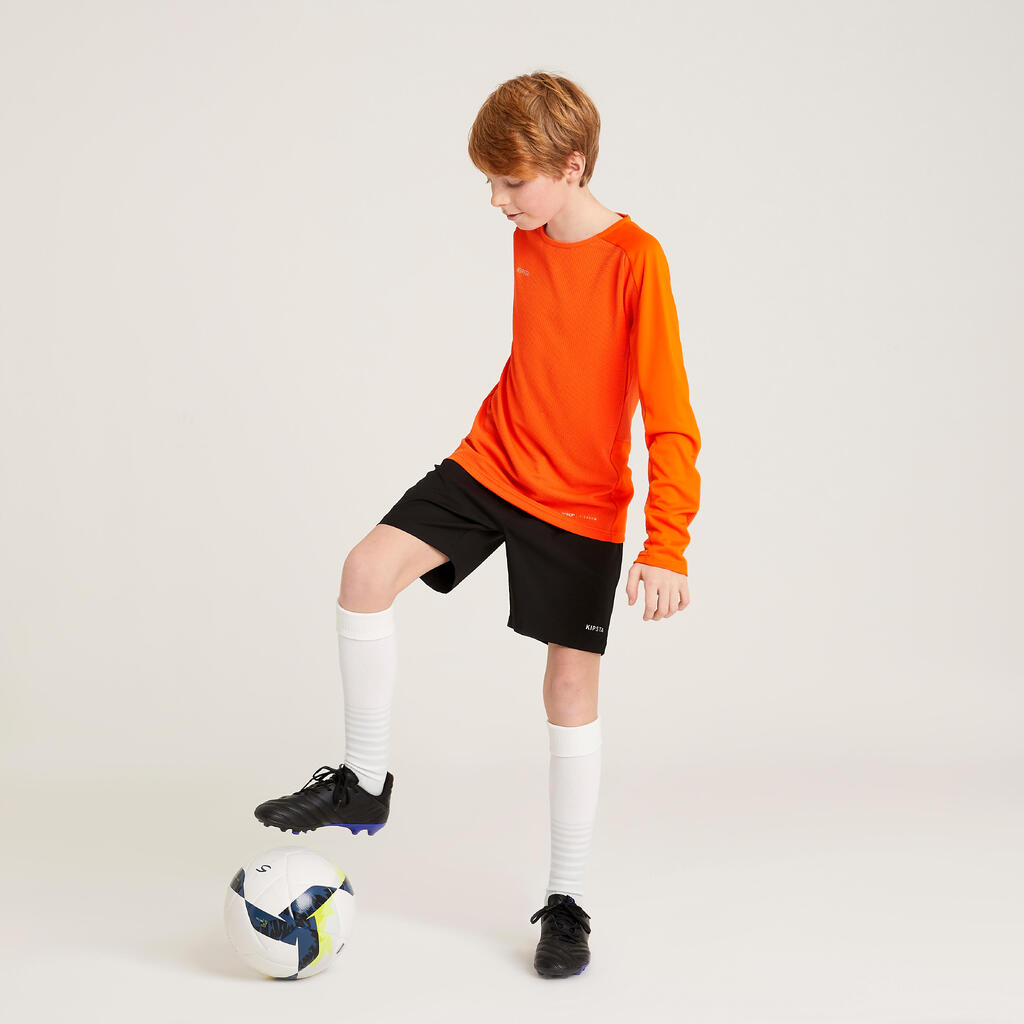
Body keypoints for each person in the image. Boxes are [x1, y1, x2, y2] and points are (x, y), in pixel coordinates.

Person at [253, 70, 702, 980]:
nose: (498, 202)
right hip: (494, 462)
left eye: (512, 183)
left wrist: (667, 543)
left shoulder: (637, 258)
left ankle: (566, 901)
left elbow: (670, 411)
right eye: (491, 182)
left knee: (568, 690)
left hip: (580, 502)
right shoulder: (531, 236)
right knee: (365, 571)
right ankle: (363, 782)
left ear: (573, 167)